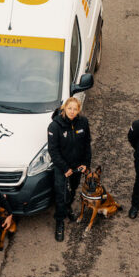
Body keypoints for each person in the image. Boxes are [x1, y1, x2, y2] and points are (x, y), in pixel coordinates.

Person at [47, 96, 92, 242]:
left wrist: (85, 164)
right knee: (60, 194)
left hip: (77, 166)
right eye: (69, 108)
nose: (72, 112)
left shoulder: (83, 122)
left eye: (75, 109)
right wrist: (65, 168)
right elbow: (53, 150)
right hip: (62, 167)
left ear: (79, 110)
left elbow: (87, 145)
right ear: (64, 109)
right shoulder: (55, 126)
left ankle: (68, 208)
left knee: (73, 189)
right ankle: (59, 222)